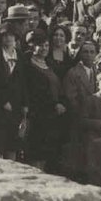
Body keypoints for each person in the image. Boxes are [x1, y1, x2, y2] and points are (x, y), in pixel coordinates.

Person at [26, 31, 67, 172]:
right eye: (40, 45)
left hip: (52, 116)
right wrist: (53, 105)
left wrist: (60, 103)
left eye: (46, 45)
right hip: (37, 114)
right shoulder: (28, 65)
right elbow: (34, 92)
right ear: (32, 46)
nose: (44, 48)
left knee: (46, 153)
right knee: (36, 152)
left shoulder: (49, 64)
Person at [0, 27, 28, 160]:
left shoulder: (20, 56)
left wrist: (25, 104)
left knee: (13, 144)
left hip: (16, 106)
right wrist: (3, 101)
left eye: (11, 36)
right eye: (5, 36)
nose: (8, 39)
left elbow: (24, 82)